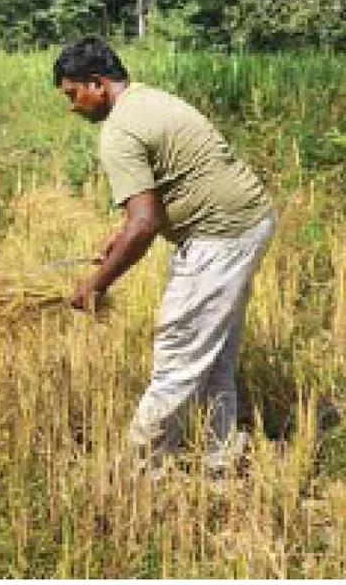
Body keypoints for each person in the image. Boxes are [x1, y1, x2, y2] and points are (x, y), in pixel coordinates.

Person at [54, 37, 276, 474]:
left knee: (178, 357)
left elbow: (145, 224)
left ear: (96, 84)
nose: (73, 107)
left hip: (220, 236)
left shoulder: (120, 130)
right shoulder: (148, 99)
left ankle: (139, 471)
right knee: (212, 355)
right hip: (248, 221)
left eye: (72, 94)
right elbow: (151, 207)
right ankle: (219, 456)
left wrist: (95, 286)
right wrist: (119, 238)